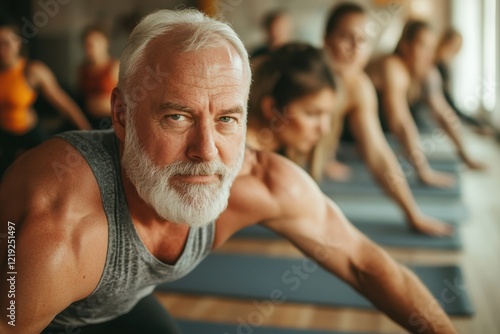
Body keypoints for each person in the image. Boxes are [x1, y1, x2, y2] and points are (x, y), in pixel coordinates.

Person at [0, 9, 458, 334]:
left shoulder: (257, 182)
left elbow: (364, 264)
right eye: (176, 117)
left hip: (119, 308)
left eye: (226, 119)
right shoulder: (59, 227)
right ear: (121, 115)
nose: (206, 152)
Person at [322, 3, 453, 236]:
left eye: (362, 40)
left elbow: (377, 152)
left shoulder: (358, 86)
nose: (354, 47)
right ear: (326, 40)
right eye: (345, 37)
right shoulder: (308, 77)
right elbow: (399, 122)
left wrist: (413, 214)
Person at [366, 20, 485, 173]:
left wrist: (466, 156)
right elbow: (400, 121)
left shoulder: (427, 73)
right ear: (405, 46)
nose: (428, 55)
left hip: (380, 133)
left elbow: (444, 114)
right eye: (422, 46)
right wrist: (423, 171)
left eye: (431, 48)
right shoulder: (393, 67)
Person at [0, 19, 91, 178]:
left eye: (6, 43)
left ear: (17, 44)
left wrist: (89, 134)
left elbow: (65, 104)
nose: (2, 50)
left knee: (45, 176)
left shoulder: (32, 70)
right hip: (5, 137)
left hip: (30, 134)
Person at [247, 42, 336, 181]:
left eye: (327, 114)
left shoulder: (279, 155)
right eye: (312, 114)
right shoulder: (241, 165)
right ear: (271, 108)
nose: (324, 128)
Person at [435, 28, 492, 134]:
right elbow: (448, 104)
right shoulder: (439, 67)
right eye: (455, 46)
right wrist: (474, 124)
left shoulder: (442, 65)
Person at [78, 25, 119, 129]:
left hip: (110, 121)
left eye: (96, 43)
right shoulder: (83, 69)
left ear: (106, 43)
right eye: (88, 45)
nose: (92, 48)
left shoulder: (115, 67)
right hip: (88, 119)